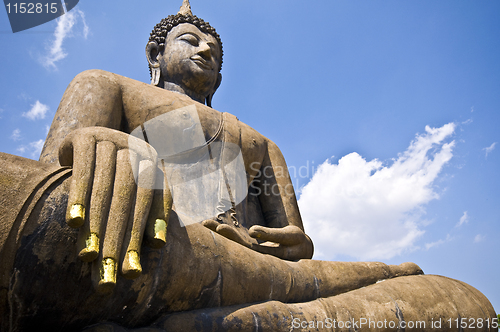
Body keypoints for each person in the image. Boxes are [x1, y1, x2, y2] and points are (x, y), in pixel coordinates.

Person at [0, 1, 495, 331]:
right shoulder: (109, 86)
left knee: (460, 302)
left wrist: (290, 242)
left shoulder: (261, 143)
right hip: (156, 254)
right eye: (190, 41)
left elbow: (298, 243)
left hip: (259, 277)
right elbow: (50, 187)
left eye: (213, 50)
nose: (205, 49)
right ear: (156, 53)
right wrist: (108, 144)